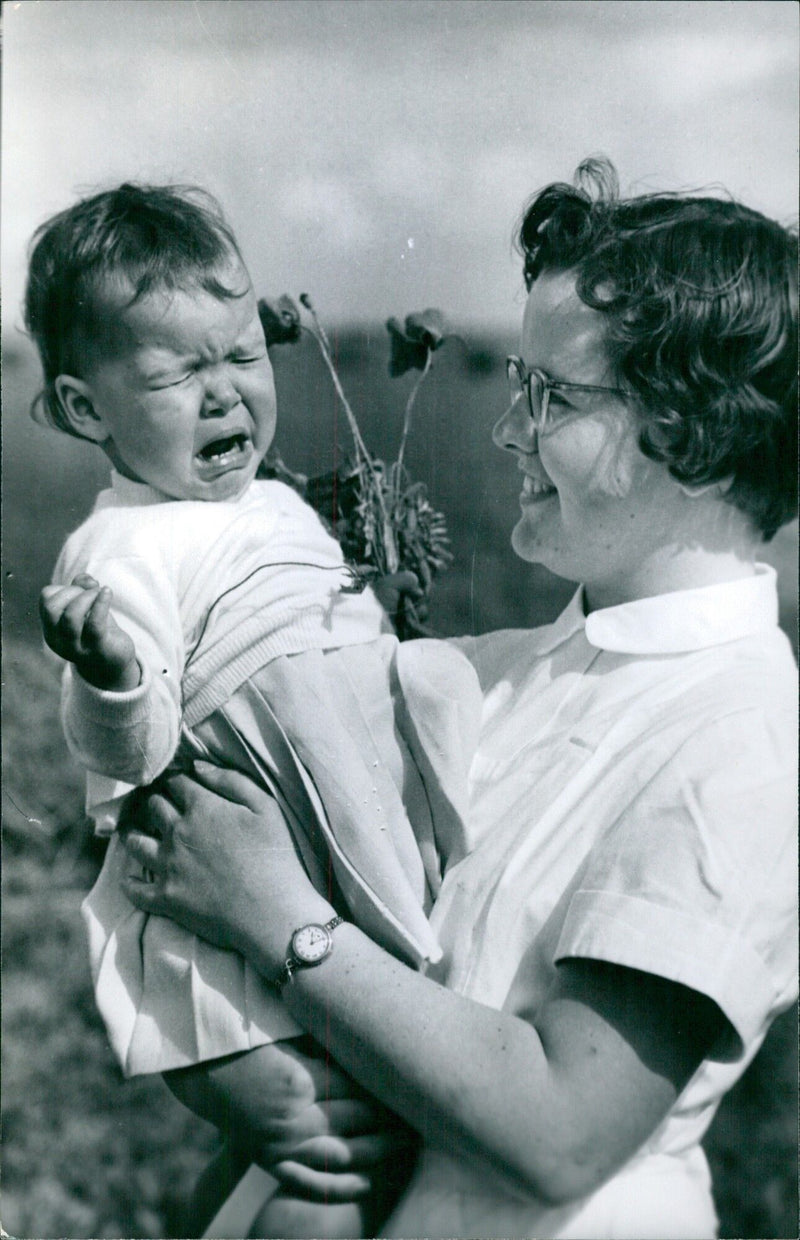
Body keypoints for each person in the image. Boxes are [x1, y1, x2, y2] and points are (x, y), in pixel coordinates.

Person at [120, 159, 797, 1240]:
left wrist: (279, 918)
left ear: (693, 430)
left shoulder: (743, 741)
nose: (505, 429)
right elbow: (182, 811)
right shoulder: (495, 670)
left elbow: (558, 1129)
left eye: (553, 396)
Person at [27, 183, 482, 1238]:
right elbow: (128, 754)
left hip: (337, 859)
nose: (226, 392)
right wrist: (108, 673)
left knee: (321, 1139)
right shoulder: (119, 550)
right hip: (232, 906)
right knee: (327, 1159)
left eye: (240, 355)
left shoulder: (274, 503)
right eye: (178, 373)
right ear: (88, 409)